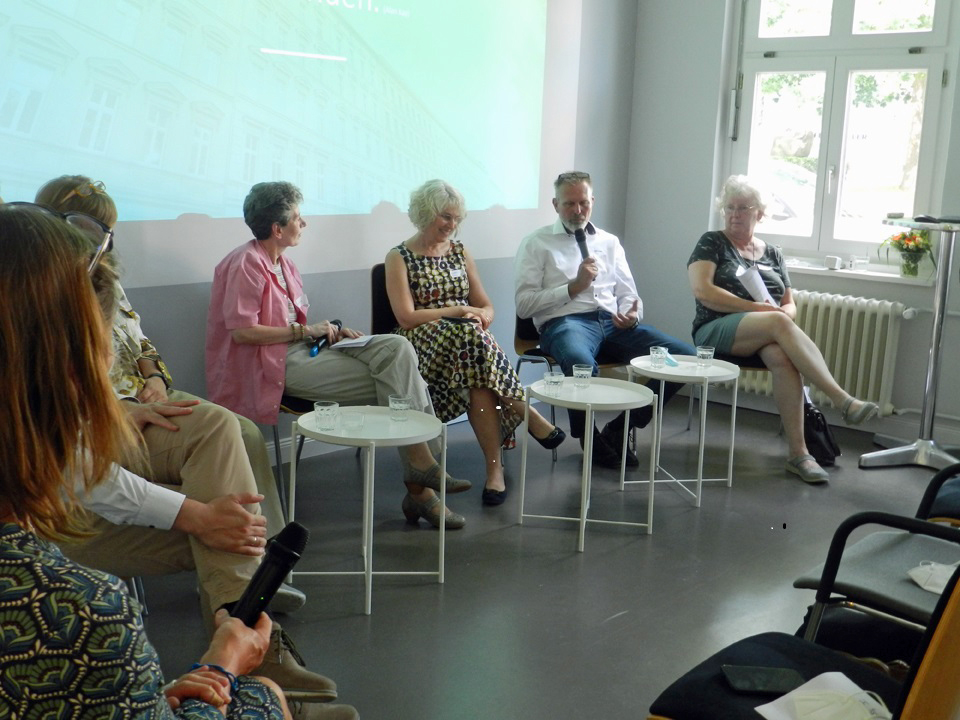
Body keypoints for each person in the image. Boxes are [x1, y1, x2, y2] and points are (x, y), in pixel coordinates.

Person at [0, 204, 358, 720]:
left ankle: (246, 626)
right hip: (72, 529)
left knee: (228, 518)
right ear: (70, 376)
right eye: (102, 355)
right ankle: (263, 673)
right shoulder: (82, 616)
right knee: (228, 522)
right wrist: (231, 679)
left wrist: (147, 698)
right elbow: (82, 471)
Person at [36, 175, 290, 545]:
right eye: (95, 230)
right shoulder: (44, 295)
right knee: (218, 431)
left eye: (108, 231)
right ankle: (252, 560)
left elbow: (140, 342)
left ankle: (268, 549)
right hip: (113, 412)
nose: (104, 241)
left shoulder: (105, 280)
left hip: (146, 396)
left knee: (247, 431)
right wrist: (120, 406)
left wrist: (155, 378)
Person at [207, 181, 470, 529]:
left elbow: (293, 322)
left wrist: (330, 333)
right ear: (277, 228)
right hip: (272, 364)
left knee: (398, 348)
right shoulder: (245, 264)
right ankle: (422, 482)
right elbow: (243, 333)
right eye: (298, 218)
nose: (304, 224)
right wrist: (307, 331)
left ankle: (420, 472)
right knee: (399, 382)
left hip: (304, 350)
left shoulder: (285, 266)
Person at [687, 175, 879, 484]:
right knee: (777, 324)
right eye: (729, 208)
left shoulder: (773, 253)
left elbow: (790, 304)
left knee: (782, 356)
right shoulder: (712, 242)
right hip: (715, 328)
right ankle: (842, 400)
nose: (734, 214)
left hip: (764, 331)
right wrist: (762, 311)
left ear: (759, 214)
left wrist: (780, 315)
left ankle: (799, 454)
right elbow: (703, 291)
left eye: (742, 208)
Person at [385, 180, 566, 506]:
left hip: (465, 351)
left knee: (478, 377)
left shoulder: (460, 251)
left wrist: (480, 316)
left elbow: (487, 305)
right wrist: (459, 311)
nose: (452, 225)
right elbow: (406, 317)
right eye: (445, 217)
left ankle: (494, 474)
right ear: (425, 213)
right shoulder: (398, 257)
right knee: (469, 337)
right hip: (418, 346)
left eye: (456, 219)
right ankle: (523, 409)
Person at [515, 171, 695, 469]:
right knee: (580, 362)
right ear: (555, 204)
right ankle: (590, 438)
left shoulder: (609, 242)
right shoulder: (537, 243)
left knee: (684, 357)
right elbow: (524, 305)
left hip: (613, 324)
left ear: (592, 202)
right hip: (566, 323)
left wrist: (632, 313)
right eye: (569, 203)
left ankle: (623, 426)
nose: (577, 211)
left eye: (583, 203)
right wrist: (573, 287)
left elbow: (629, 294)